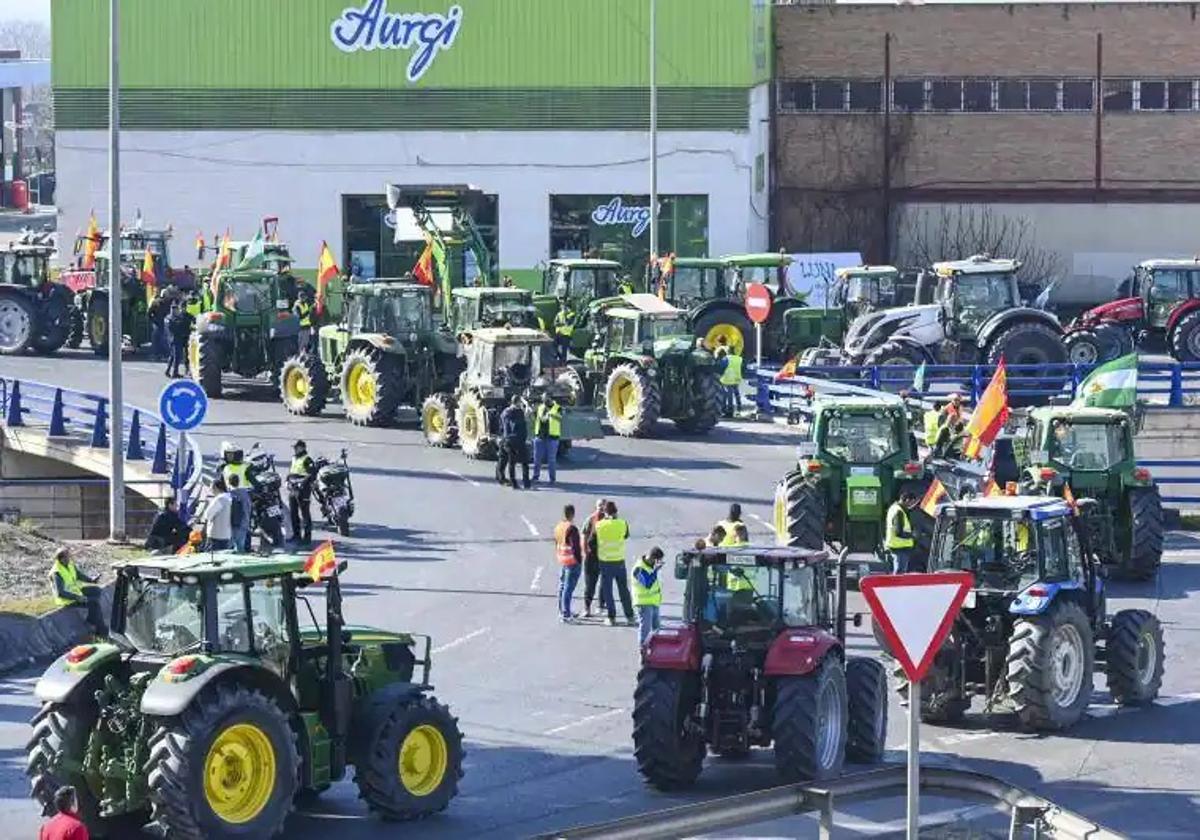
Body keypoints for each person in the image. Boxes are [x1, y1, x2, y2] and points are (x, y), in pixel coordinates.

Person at [48, 548, 106, 636]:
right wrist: (78, 598)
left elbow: (78, 575)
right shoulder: (56, 573)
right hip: (67, 600)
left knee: (96, 591)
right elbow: (60, 593)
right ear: (62, 559)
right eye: (68, 557)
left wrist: (91, 580)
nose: (70, 558)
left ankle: (91, 618)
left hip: (76, 592)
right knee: (94, 603)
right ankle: (101, 631)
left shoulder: (69, 564)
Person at [595, 501, 635, 626]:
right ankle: (630, 616)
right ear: (616, 511)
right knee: (623, 589)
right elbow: (626, 536)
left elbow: (593, 539)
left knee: (607, 590)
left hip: (605, 560)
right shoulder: (622, 523)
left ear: (604, 512)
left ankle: (611, 617)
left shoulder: (599, 525)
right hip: (619, 560)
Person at [631, 546, 665, 646]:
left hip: (654, 602)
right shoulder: (638, 569)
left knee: (657, 629)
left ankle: (658, 650)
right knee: (645, 630)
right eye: (658, 561)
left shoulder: (650, 566)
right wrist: (656, 570)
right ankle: (643, 649)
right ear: (653, 559)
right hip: (643, 603)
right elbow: (648, 583)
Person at [554, 504, 583, 623]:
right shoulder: (572, 528)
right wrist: (579, 560)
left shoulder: (559, 527)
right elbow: (575, 546)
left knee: (562, 586)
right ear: (572, 514)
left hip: (562, 558)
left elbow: (556, 542)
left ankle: (562, 610)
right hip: (571, 560)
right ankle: (566, 614)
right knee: (568, 588)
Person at [498, 396, 531, 489]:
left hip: (510, 440)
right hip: (515, 440)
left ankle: (516, 484)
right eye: (520, 402)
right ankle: (524, 483)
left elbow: (502, 424)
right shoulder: (516, 412)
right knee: (521, 463)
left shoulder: (506, 412)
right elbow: (519, 423)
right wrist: (526, 405)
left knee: (512, 463)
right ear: (517, 402)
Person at [288, 439, 316, 546]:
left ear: (303, 448)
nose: (295, 449)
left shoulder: (307, 459)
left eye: (297, 447)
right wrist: (287, 481)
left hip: (303, 490)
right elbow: (291, 472)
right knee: (293, 514)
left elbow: (312, 474)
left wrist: (302, 484)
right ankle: (296, 535)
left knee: (305, 514)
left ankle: (307, 538)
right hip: (293, 489)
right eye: (294, 448)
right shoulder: (294, 459)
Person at [581, 498, 606, 617]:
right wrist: (585, 550)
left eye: (603, 505)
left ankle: (601, 605)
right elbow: (584, 534)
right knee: (590, 583)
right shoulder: (591, 519)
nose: (601, 507)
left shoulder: (610, 521)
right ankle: (587, 608)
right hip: (592, 556)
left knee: (604, 582)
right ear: (596, 506)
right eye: (599, 505)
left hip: (605, 555)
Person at [532, 392, 562, 485]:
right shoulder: (541, 407)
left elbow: (560, 418)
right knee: (537, 459)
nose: (544, 400)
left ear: (550, 398)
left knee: (551, 460)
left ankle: (552, 479)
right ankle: (535, 477)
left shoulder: (557, 407)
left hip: (552, 437)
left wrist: (552, 415)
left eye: (545, 398)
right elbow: (538, 418)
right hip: (540, 437)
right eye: (543, 398)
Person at [885, 491, 919, 573]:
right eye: (912, 502)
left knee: (897, 571)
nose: (912, 505)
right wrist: (912, 535)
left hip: (896, 546)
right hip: (900, 547)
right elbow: (898, 532)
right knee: (899, 573)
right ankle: (894, 586)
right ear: (907, 500)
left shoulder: (894, 508)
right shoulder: (899, 511)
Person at [164, 299, 194, 378]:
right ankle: (174, 373)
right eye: (176, 308)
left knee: (173, 355)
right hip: (176, 339)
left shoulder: (170, 317)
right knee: (176, 356)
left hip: (175, 338)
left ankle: (168, 371)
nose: (178, 310)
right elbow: (175, 328)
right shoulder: (172, 318)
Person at [203, 478, 234, 551]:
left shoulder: (220, 499)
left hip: (216, 534)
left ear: (216, 488)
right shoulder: (230, 497)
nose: (210, 490)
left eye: (211, 488)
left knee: (211, 557)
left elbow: (207, 514)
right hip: (227, 534)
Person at [227, 473, 251, 553]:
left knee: (229, 547)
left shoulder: (230, 495)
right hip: (244, 523)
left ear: (229, 482)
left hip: (233, 525)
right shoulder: (245, 493)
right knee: (240, 547)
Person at [720, 342, 744, 418]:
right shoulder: (739, 358)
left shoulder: (725, 359)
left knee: (727, 396)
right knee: (737, 395)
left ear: (727, 351)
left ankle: (728, 412)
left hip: (727, 379)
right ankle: (739, 410)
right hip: (736, 379)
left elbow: (721, 368)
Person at [294, 287, 315, 352]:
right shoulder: (297, 306)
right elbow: (300, 317)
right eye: (303, 297)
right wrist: (308, 311)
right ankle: (300, 355)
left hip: (307, 325)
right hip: (300, 327)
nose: (305, 299)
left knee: (306, 342)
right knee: (301, 343)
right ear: (300, 297)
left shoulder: (305, 304)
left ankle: (304, 354)